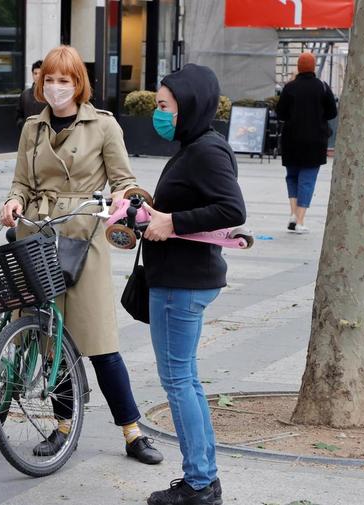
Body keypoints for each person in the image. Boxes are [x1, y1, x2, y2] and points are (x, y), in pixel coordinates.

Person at [0, 45, 163, 465]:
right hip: (37, 233)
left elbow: (124, 179)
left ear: (78, 84)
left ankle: (132, 431)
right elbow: (21, 182)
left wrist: (121, 200)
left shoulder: (103, 126)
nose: (56, 88)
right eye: (50, 80)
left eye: (65, 80)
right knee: (50, 338)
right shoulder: (32, 129)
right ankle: (63, 427)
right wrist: (13, 202)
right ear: (41, 83)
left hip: (83, 234)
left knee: (99, 340)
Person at [142, 64, 247, 505]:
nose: (159, 113)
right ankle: (204, 478)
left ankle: (200, 484)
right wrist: (149, 208)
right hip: (184, 278)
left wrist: (172, 220)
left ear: (189, 105)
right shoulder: (198, 146)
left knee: (179, 381)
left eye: (164, 106)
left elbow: (231, 209)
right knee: (187, 380)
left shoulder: (205, 150)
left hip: (181, 284)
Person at [275, 52, 338, 234]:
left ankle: (293, 214)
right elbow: (332, 112)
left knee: (292, 177)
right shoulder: (322, 87)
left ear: (298, 67)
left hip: (291, 140)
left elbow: (281, 113)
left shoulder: (290, 88)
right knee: (307, 180)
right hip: (315, 141)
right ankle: (300, 220)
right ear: (313, 67)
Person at [15, 59, 46, 127]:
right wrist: (23, 126)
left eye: (40, 73)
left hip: (46, 135)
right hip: (28, 135)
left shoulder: (49, 94)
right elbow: (19, 115)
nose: (37, 76)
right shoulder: (25, 95)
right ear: (32, 74)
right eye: (35, 73)